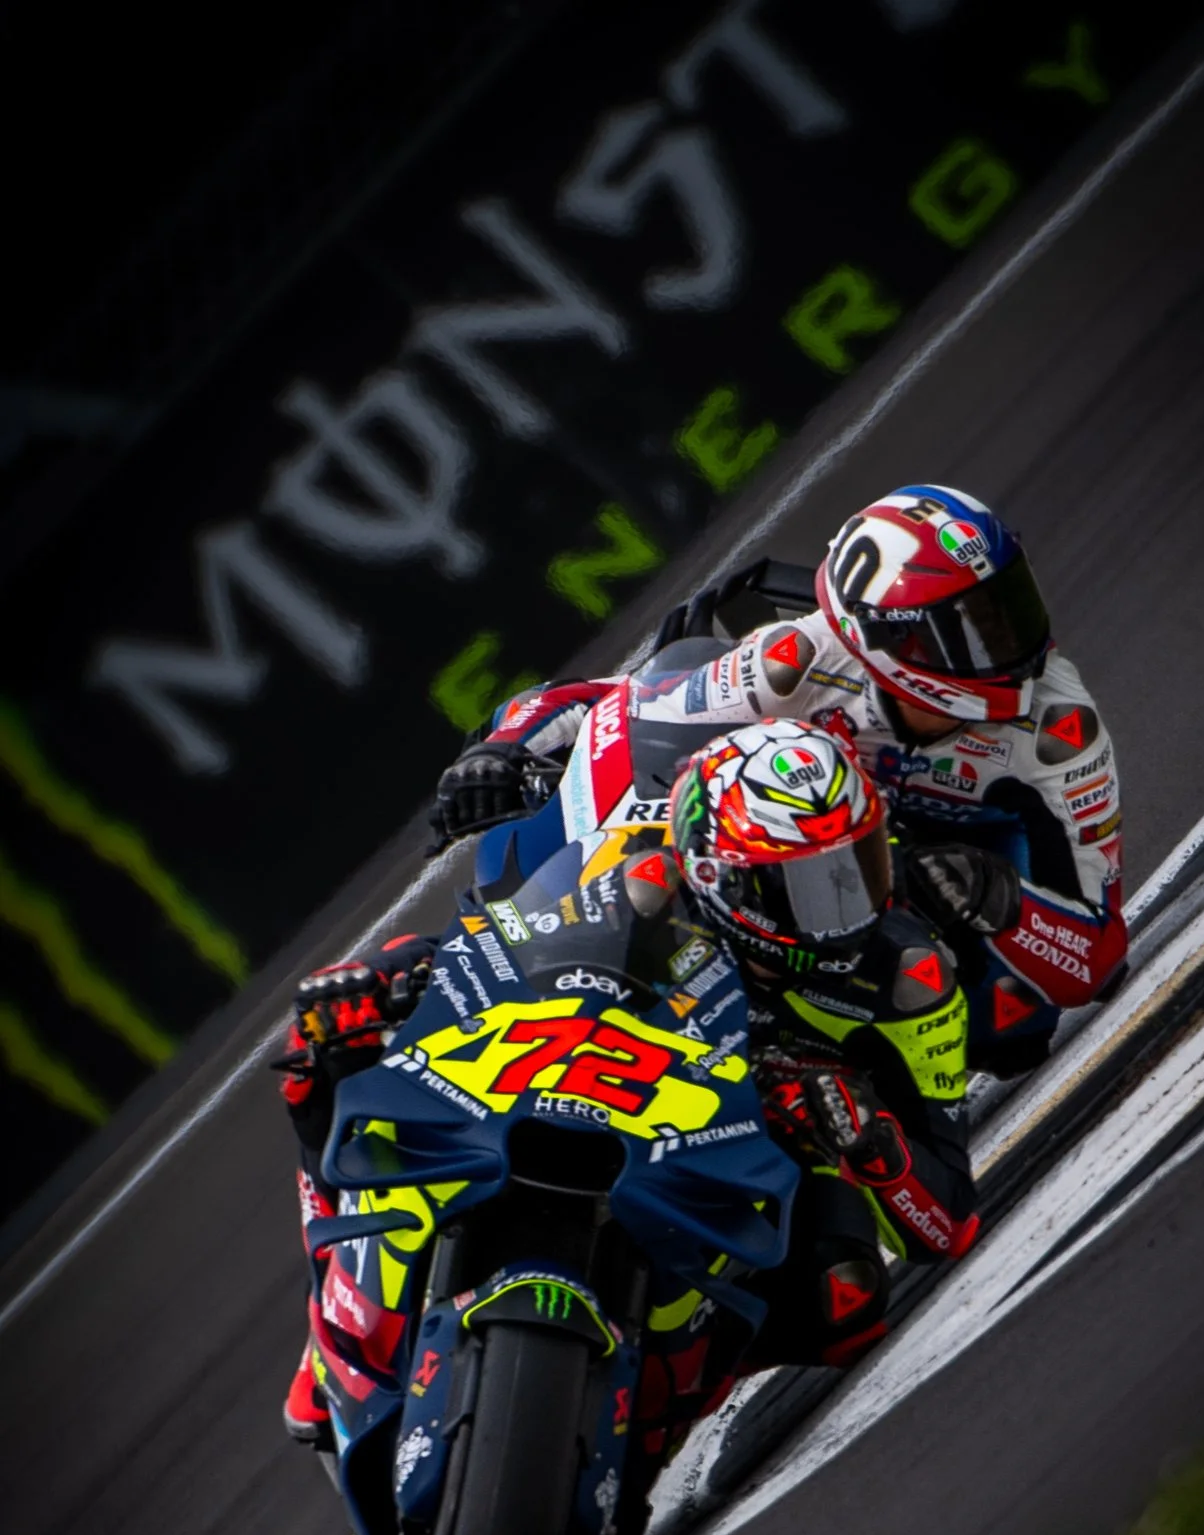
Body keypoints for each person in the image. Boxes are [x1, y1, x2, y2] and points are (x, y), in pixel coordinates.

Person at [277, 722, 977, 1443]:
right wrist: (392, 981)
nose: (847, 909)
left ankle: (669, 1396)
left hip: (744, 1159)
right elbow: (490, 943)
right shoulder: (639, 880)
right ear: (725, 877)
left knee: (845, 1296)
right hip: (577, 1077)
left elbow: (947, 1220)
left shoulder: (906, 979)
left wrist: (869, 1138)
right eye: (811, 885)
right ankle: (328, 1304)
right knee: (326, 1044)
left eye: (857, 867)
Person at [435, 484, 1127, 1076]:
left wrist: (998, 899)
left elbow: (1097, 960)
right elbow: (622, 704)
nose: (1012, 646)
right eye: (975, 628)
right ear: (896, 641)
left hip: (927, 880)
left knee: (1012, 1029)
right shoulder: (797, 661)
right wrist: (502, 747)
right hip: (804, 849)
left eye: (1008, 608)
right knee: (684, 685)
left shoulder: (1058, 730)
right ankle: (542, 929)